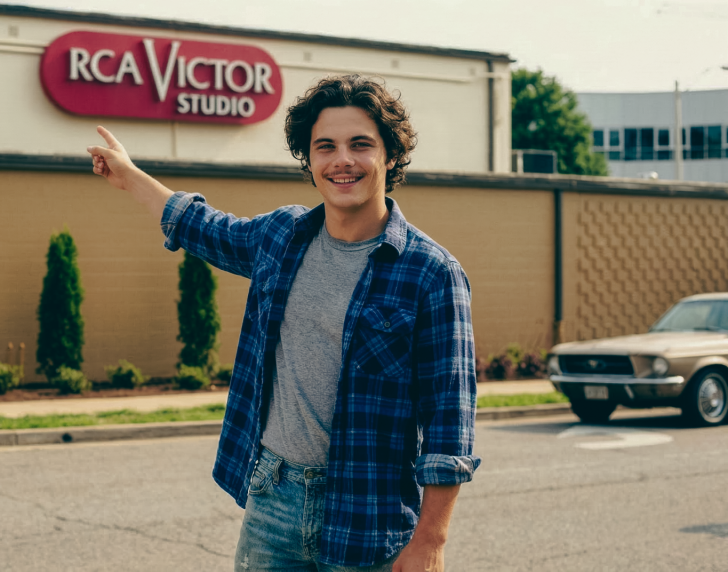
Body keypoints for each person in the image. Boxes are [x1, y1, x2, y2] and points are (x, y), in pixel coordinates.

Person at [87, 74, 479, 572]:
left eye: (361, 144)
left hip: (369, 517)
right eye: (325, 146)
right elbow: (203, 226)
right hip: (271, 501)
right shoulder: (282, 236)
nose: (342, 160)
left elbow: (450, 420)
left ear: (390, 155)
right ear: (309, 159)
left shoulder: (431, 273)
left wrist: (431, 541)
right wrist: (128, 175)